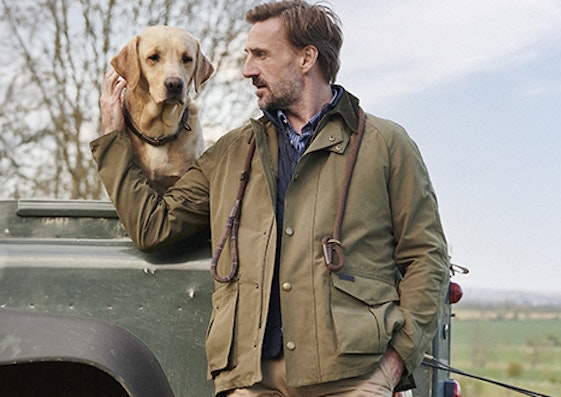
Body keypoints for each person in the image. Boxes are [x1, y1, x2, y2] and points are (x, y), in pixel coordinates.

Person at [92, 1, 450, 395]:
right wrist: (113, 138)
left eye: (260, 55)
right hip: (252, 380)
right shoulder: (230, 153)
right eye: (247, 55)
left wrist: (395, 362)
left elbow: (426, 257)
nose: (247, 69)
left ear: (306, 59)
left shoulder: (385, 144)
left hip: (353, 378)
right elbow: (152, 228)